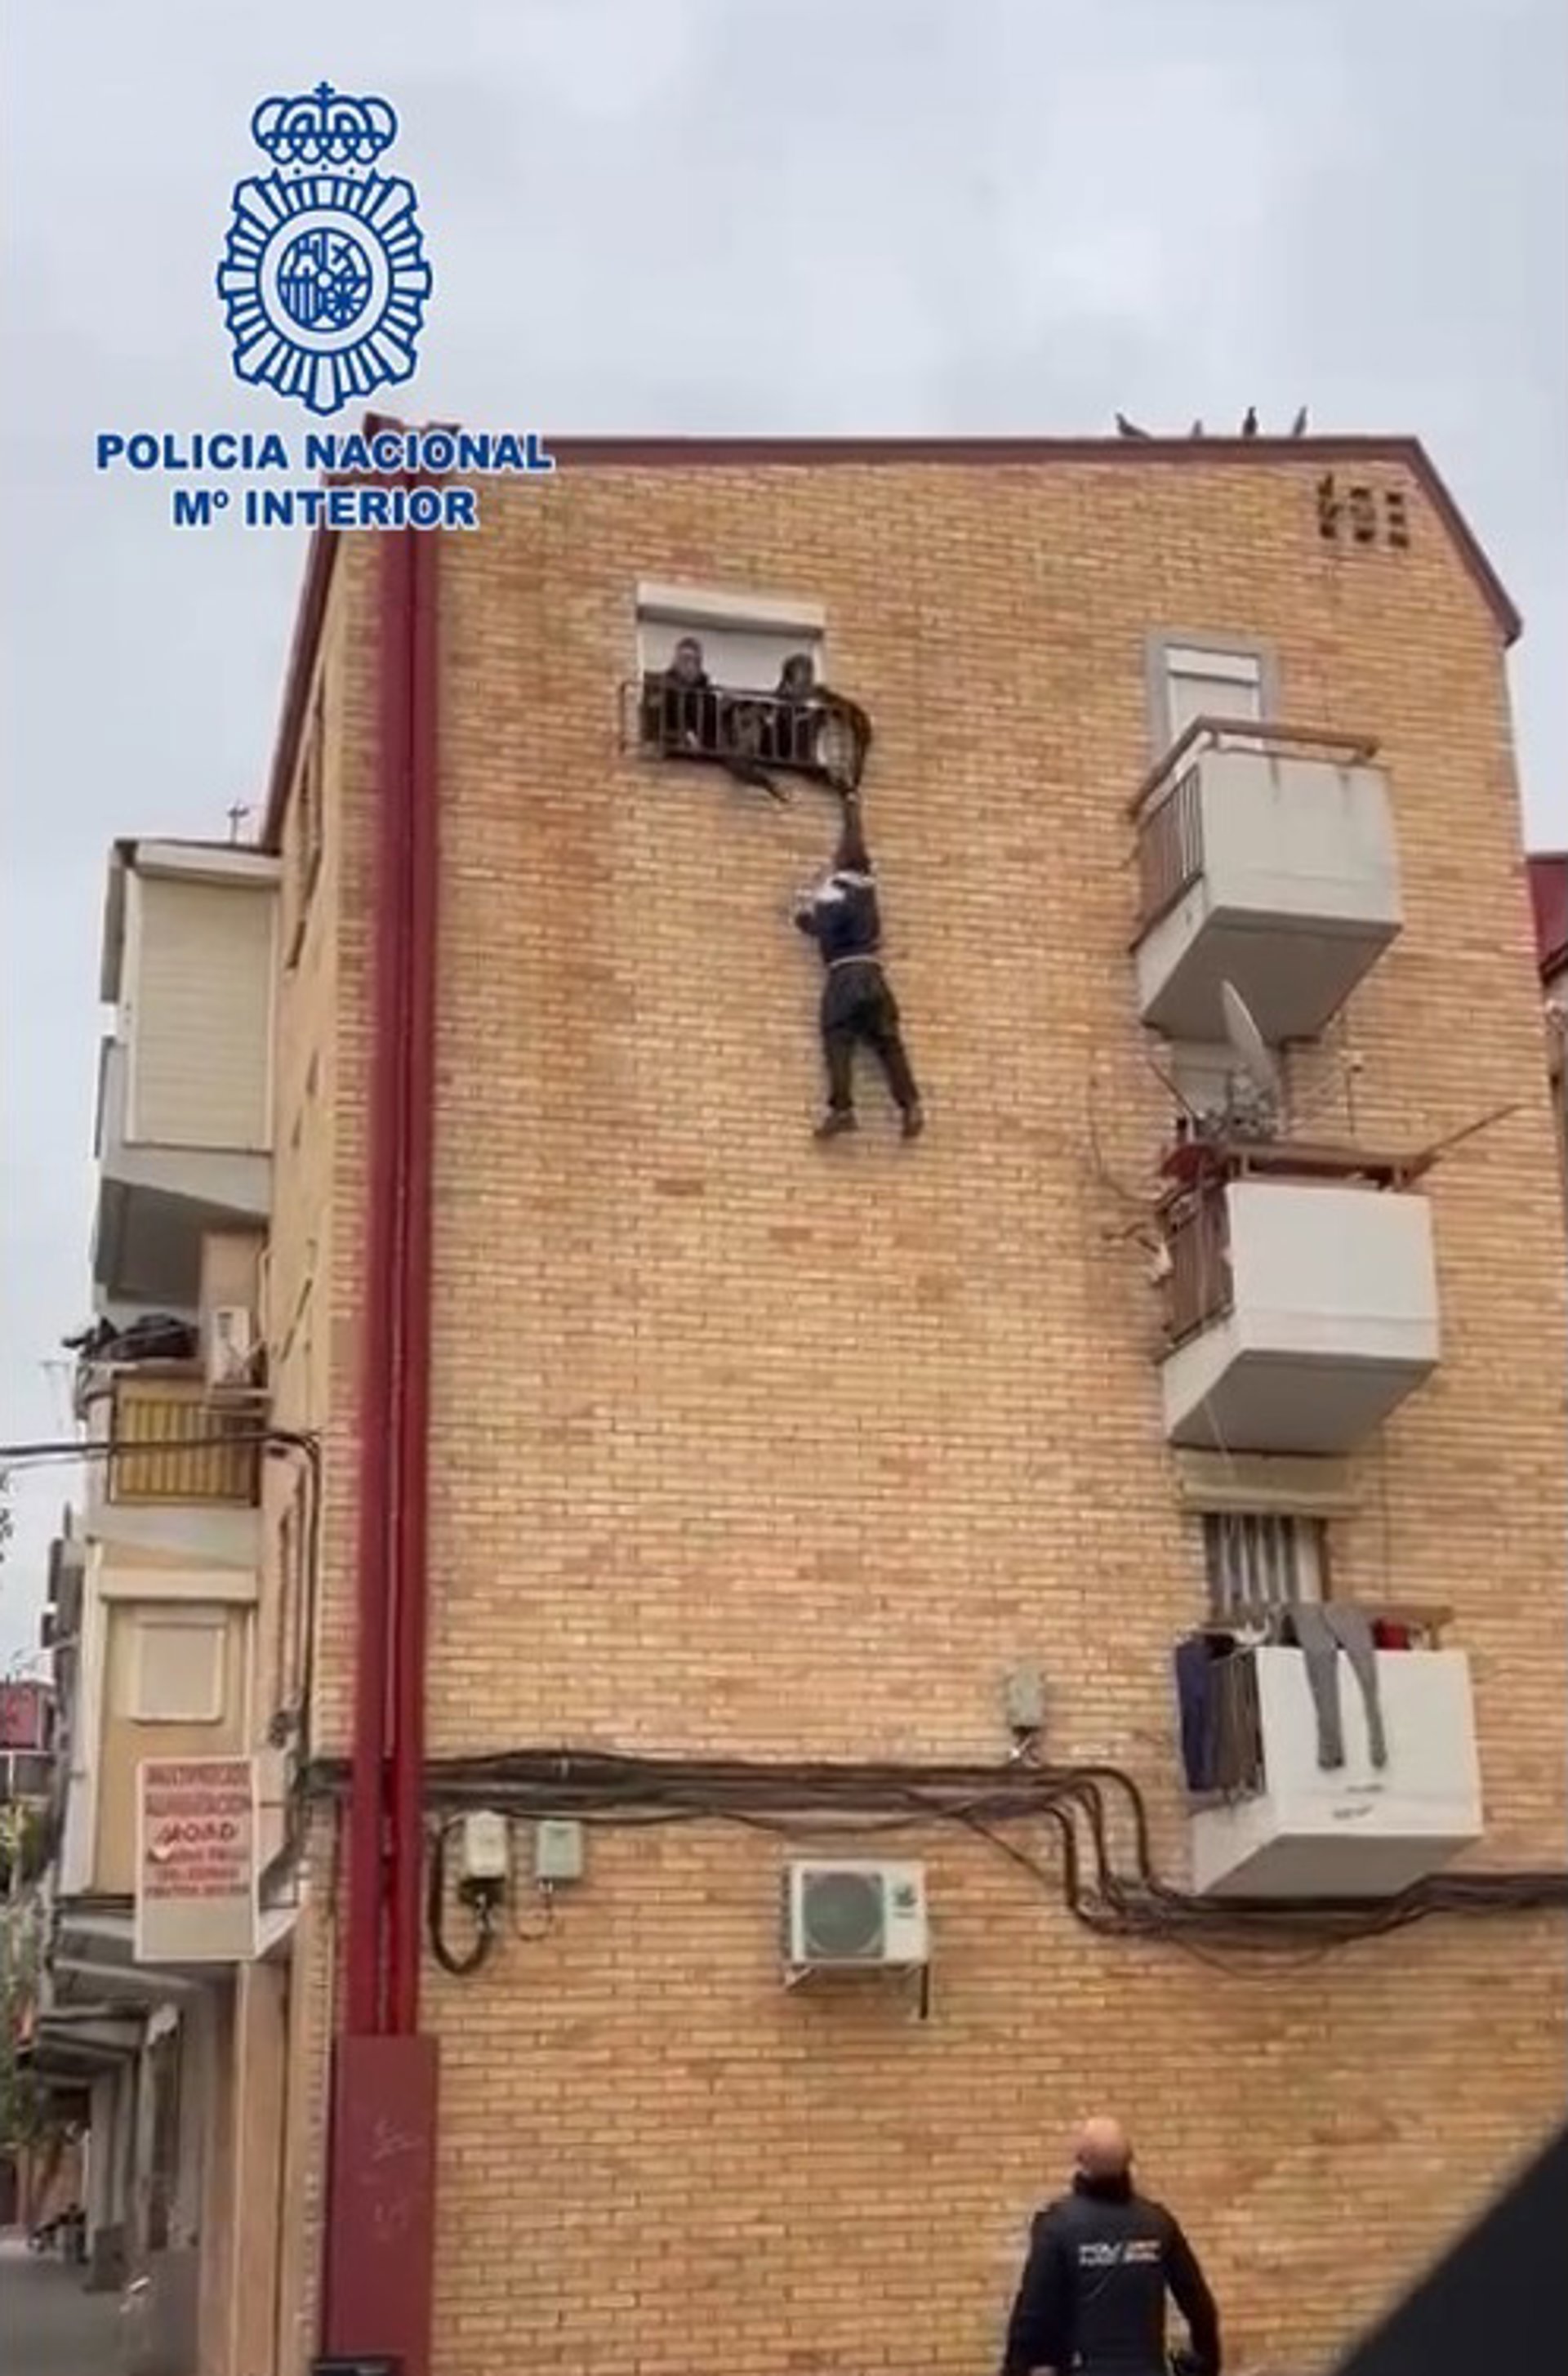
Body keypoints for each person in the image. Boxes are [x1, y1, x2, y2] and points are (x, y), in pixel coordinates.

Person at [1000, 2117, 1222, 2376]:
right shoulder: (1158, 2223)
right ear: (1130, 2160)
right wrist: (1207, 2364)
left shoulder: (1057, 2226)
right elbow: (1199, 2305)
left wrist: (1015, 2368)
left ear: (1079, 2159)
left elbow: (1032, 2315)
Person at [791, 790, 924, 1142]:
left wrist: (802, 915)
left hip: (845, 976)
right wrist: (852, 806)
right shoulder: (868, 891)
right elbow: (854, 837)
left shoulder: (836, 889)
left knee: (837, 1036)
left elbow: (820, 926)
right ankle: (910, 1104)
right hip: (874, 976)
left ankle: (843, 1109)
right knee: (888, 1041)